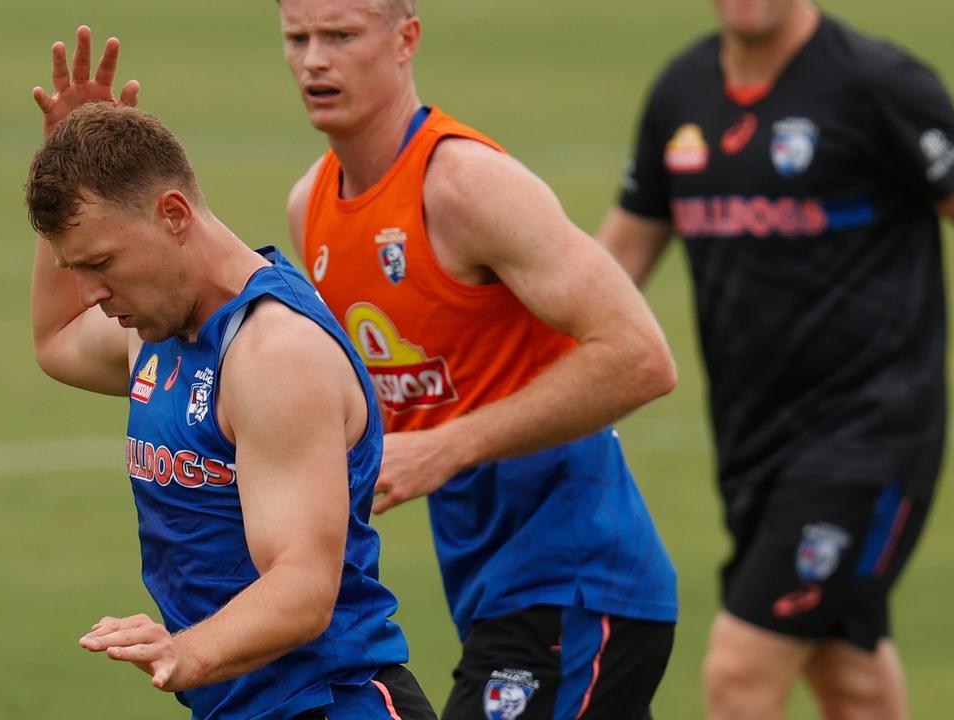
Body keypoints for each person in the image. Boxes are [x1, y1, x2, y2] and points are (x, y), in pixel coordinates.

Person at [598, 1, 954, 718]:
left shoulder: (878, 85)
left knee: (739, 674)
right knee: (852, 684)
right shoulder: (681, 94)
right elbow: (617, 261)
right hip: (753, 446)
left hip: (871, 441)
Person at [279, 0, 681, 717]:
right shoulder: (311, 205)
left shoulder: (465, 185)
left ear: (406, 40)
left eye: (340, 36)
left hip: (581, 586)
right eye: (297, 37)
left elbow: (641, 356)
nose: (314, 59)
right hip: (494, 592)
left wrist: (445, 448)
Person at [26, 31, 436, 720]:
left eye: (102, 263)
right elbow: (57, 338)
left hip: (332, 704)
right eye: (79, 270)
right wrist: (67, 167)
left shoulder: (274, 355)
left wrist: (186, 653)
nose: (93, 294)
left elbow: (305, 588)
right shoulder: (153, 329)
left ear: (175, 216)